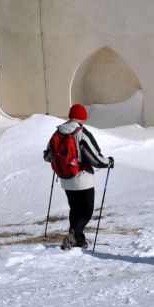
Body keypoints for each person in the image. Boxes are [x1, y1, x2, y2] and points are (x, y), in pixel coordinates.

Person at [43, 104, 114, 250]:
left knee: (75, 209)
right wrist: (109, 162)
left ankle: (78, 239)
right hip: (83, 179)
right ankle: (73, 234)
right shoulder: (81, 133)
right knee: (87, 211)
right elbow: (96, 158)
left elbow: (47, 156)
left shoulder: (58, 132)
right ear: (82, 117)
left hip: (65, 179)